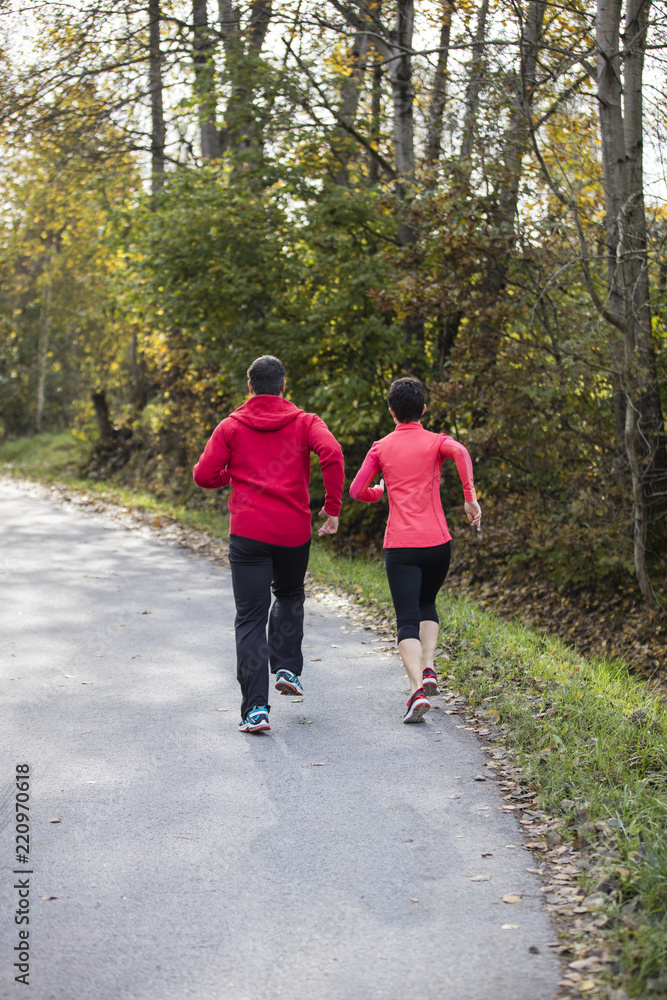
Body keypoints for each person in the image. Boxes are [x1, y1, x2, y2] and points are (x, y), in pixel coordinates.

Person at [193, 355, 344, 733]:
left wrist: (232, 474)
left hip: (248, 534)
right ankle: (288, 668)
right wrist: (332, 508)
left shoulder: (230, 426)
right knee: (290, 593)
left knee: (249, 618)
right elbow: (333, 454)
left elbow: (203, 475)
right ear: (283, 385)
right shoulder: (306, 421)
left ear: (250, 387)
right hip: (293, 532)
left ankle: (255, 710)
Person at [349, 377, 481, 723]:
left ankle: (416, 691)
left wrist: (378, 493)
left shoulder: (380, 447)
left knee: (406, 618)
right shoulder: (437, 441)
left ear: (392, 411)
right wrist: (470, 499)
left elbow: (355, 489)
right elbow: (463, 453)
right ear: (422, 409)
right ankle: (429, 668)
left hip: (402, 546)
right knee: (427, 604)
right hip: (439, 544)